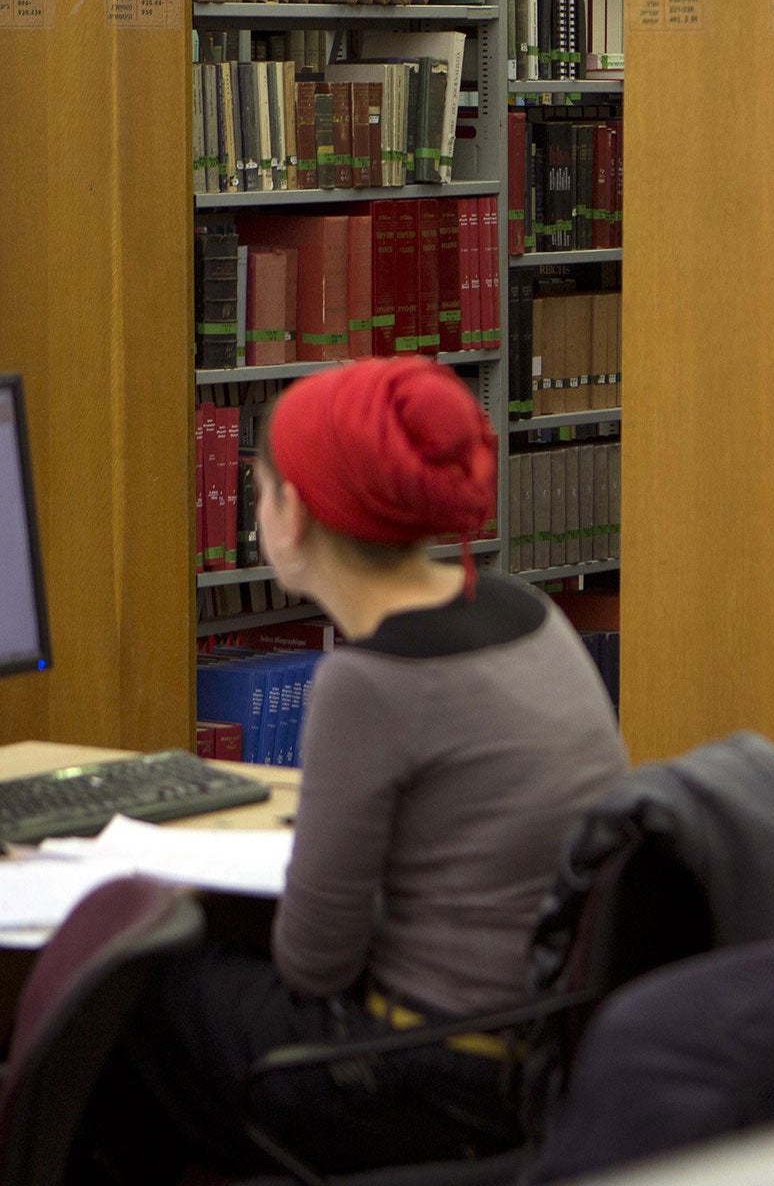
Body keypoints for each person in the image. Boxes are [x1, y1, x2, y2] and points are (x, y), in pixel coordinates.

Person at [84, 357, 628, 1185]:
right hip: (545, 1044)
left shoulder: (368, 682)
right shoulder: (528, 610)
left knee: (120, 1002)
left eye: (260, 489)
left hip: (434, 1073)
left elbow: (314, 965)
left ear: (292, 514)